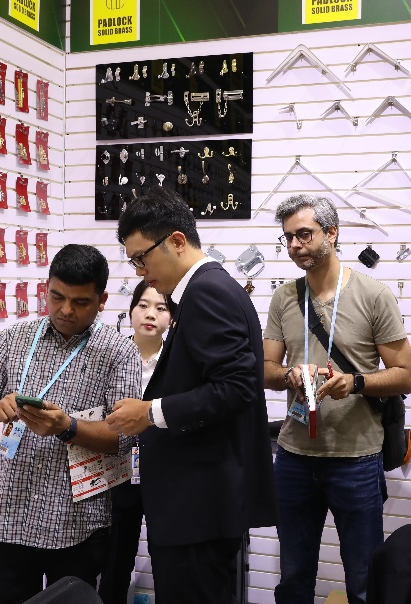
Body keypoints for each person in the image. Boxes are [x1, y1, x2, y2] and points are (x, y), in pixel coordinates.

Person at [106, 187, 277, 604]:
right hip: (201, 504)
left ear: (177, 241)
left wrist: (151, 412)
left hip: (199, 505)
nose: (140, 272)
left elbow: (237, 387)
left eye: (142, 258)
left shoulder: (205, 291)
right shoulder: (208, 288)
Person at [0, 244, 142, 604]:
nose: (66, 310)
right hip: (12, 517)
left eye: (80, 302)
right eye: (57, 297)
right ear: (46, 288)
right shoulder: (13, 339)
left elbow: (122, 438)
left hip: (77, 524)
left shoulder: (119, 352)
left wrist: (66, 427)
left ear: (102, 301)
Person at [262, 194, 411, 604]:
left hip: (356, 459)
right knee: (293, 577)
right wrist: (289, 375)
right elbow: (264, 369)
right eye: (288, 238)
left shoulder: (373, 294)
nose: (295, 245)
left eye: (304, 234)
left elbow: (405, 375)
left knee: (364, 580)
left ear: (331, 233)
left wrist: (356, 382)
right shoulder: (284, 298)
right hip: (294, 457)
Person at [99, 281, 175, 604]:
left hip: (165, 474)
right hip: (118, 471)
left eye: (161, 308)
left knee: (168, 566)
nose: (150, 314)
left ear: (172, 317)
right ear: (130, 311)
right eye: (143, 305)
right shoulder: (112, 357)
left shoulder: (177, 361)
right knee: (114, 563)